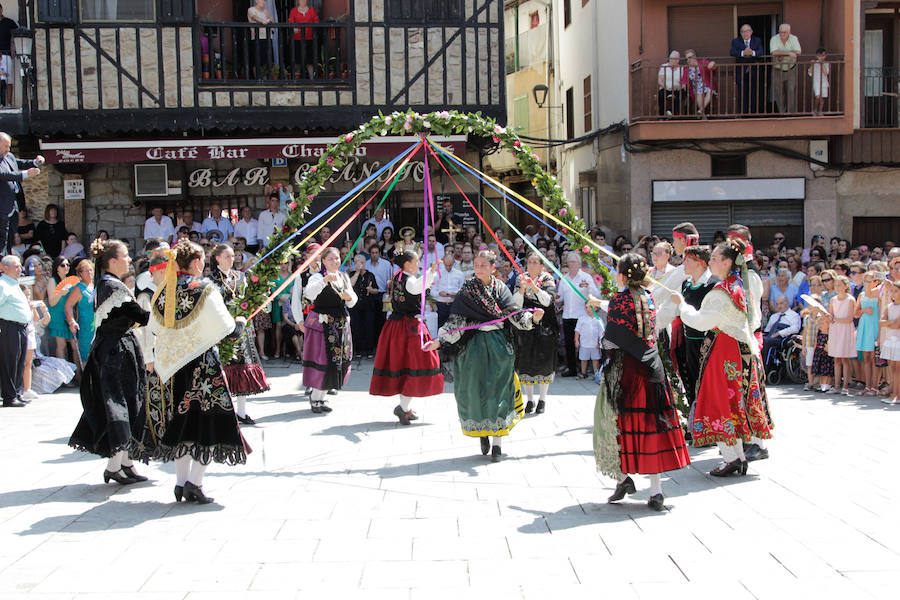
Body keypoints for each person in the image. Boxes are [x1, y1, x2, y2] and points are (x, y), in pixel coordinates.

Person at [150, 240, 249, 504]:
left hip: (171, 368)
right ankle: (195, 482)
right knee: (208, 423)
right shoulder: (205, 288)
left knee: (182, 425)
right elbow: (227, 329)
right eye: (203, 259)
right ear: (195, 262)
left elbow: (152, 329)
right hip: (201, 368)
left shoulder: (162, 290)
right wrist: (240, 321)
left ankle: (181, 483)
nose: (204, 264)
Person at [424, 250, 543, 462]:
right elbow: (456, 323)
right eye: (476, 265)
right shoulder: (466, 291)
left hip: (499, 347)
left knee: (499, 393)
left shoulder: (501, 289)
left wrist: (532, 318)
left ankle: (498, 443)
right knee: (477, 392)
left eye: (483, 265)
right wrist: (439, 340)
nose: (479, 268)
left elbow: (513, 314)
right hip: (473, 348)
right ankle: (483, 432)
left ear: (492, 267)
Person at [593, 254, 690, 511]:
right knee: (652, 429)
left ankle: (623, 478)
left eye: (616, 271)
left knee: (613, 425)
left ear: (623, 275)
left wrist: (603, 346)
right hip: (652, 370)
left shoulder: (620, 300)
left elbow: (612, 340)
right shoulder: (648, 297)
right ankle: (656, 491)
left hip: (627, 373)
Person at [672, 238, 773, 475]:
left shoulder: (721, 292)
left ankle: (733, 456)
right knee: (733, 402)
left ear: (728, 262)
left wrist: (682, 305)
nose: (712, 262)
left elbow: (701, 321)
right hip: (739, 348)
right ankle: (736, 455)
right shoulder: (738, 284)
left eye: (716, 258)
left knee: (720, 401)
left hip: (726, 351)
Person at [68, 240, 150, 485]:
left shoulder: (110, 284)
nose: (129, 260)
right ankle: (115, 466)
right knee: (119, 404)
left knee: (130, 401)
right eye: (125, 256)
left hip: (119, 350)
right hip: (115, 353)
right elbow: (141, 317)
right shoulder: (113, 287)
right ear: (113, 261)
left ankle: (125, 463)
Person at [370, 251, 443, 425]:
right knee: (416, 364)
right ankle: (403, 408)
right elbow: (417, 286)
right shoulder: (409, 280)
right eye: (416, 261)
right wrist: (431, 272)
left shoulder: (398, 276)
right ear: (408, 264)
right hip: (409, 327)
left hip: (397, 325)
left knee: (407, 365)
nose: (419, 263)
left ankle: (405, 407)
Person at [209, 244, 270, 424]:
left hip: (240, 327)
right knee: (223, 371)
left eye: (233, 256)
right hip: (221, 329)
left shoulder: (240, 276)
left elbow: (246, 298)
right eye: (227, 256)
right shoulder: (211, 279)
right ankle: (223, 412)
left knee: (243, 369)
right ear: (217, 258)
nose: (232, 259)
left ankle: (241, 412)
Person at [302, 247, 357, 413]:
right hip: (322, 325)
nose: (335, 261)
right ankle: (315, 397)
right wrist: (324, 280)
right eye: (331, 259)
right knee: (323, 361)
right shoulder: (317, 276)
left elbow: (352, 300)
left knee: (336, 362)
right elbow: (309, 294)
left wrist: (349, 297)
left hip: (339, 324)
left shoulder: (343, 277)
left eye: (337, 258)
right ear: (323, 261)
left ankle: (322, 396)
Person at [512, 252, 559, 414]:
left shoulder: (547, 279)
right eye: (529, 262)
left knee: (544, 361)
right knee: (525, 360)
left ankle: (542, 399)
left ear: (541, 265)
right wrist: (522, 289)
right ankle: (530, 399)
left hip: (545, 324)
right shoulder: (520, 278)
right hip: (526, 324)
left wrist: (533, 286)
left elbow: (547, 300)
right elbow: (515, 304)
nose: (531, 265)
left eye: (535, 262)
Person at [677, 245, 718, 409]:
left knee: (706, 381)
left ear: (700, 263)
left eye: (687, 260)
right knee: (690, 379)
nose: (683, 264)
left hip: (708, 342)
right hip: (689, 340)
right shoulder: (685, 284)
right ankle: (695, 419)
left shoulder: (712, 284)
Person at [0, 134, 43, 256]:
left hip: (13, 205)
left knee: (11, 234)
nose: (8, 149)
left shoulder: (8, 156)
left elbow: (19, 163)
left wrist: (34, 162)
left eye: (9, 146)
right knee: (2, 236)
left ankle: (6, 257)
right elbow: (4, 174)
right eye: (6, 146)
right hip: (2, 206)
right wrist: (25, 174)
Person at [558, 252, 599, 377]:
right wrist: (555, 299)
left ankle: (584, 370)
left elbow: (596, 294)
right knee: (569, 344)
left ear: (579, 263)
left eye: (574, 262)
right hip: (567, 315)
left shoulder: (586, 277)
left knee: (583, 343)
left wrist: (588, 288)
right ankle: (571, 369)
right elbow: (560, 297)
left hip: (582, 316)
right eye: (569, 262)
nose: (572, 264)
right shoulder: (564, 278)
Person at [0, 255, 30, 407]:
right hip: (9, 326)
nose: (20, 269)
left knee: (20, 361)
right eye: (16, 266)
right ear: (4, 268)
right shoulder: (3, 284)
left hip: (21, 327)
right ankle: (9, 396)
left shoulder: (14, 284)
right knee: (10, 362)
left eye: (20, 266)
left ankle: (17, 393)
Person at [47, 256, 83, 376]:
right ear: (57, 267)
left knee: (74, 345)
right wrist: (60, 293)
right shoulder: (52, 281)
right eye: (63, 265)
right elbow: (52, 302)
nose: (66, 267)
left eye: (68, 265)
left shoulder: (71, 280)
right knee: (61, 345)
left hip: (70, 315)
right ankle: (62, 376)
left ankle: (78, 374)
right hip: (57, 314)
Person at [826, 275, 857, 395]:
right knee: (836, 358)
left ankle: (845, 386)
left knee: (845, 358)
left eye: (839, 285)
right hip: (835, 330)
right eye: (836, 285)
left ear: (846, 286)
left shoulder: (850, 299)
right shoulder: (833, 300)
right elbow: (831, 315)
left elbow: (849, 318)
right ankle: (837, 385)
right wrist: (829, 318)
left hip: (845, 330)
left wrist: (835, 320)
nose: (837, 287)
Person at [64, 258, 96, 364]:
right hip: (86, 326)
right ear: (80, 273)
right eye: (86, 271)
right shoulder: (79, 289)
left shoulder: (95, 286)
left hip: (97, 324)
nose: (89, 273)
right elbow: (68, 306)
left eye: (91, 270)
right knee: (86, 355)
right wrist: (71, 321)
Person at [856, 271, 882, 396]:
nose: (866, 283)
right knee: (866, 358)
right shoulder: (861, 295)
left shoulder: (879, 295)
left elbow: (882, 312)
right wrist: (863, 310)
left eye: (868, 281)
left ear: (876, 282)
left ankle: (875, 386)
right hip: (864, 327)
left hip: (875, 327)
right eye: (865, 280)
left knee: (874, 358)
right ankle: (868, 386)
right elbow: (855, 313)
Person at [347, 253, 378, 358]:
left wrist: (371, 290)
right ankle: (358, 350)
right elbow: (350, 285)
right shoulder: (351, 274)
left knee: (368, 327)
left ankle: (369, 350)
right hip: (355, 306)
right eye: (358, 263)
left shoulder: (370, 275)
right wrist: (357, 272)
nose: (361, 265)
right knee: (356, 327)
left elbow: (376, 289)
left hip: (368, 306)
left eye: (362, 263)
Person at [730, 23, 764, 114]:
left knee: (754, 92)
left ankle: (753, 113)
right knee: (742, 93)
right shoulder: (736, 41)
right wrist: (743, 53)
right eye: (742, 32)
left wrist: (752, 53)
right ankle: (743, 113)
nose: (745, 33)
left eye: (747, 31)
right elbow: (732, 52)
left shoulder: (757, 40)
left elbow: (761, 51)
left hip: (754, 71)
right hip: (741, 71)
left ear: (751, 32)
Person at [761, 295, 801, 367]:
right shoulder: (774, 316)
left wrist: (779, 333)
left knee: (766, 341)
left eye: (781, 303)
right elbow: (767, 331)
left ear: (787, 303)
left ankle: (765, 366)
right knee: (760, 340)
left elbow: (796, 328)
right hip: (770, 337)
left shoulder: (794, 316)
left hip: (782, 340)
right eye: (777, 304)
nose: (779, 306)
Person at [770, 23, 802, 113]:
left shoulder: (793, 38)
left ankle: (791, 113)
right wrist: (788, 53)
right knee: (779, 93)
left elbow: (798, 51)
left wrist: (781, 54)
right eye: (780, 32)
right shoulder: (774, 39)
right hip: (777, 69)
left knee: (791, 91)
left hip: (791, 68)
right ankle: (782, 113)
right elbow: (774, 52)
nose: (782, 34)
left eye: (784, 32)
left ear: (789, 32)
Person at [366, 244, 392, 343]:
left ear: (379, 253)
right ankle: (372, 342)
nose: (374, 255)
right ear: (370, 254)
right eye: (372, 253)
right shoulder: (367, 264)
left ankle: (381, 342)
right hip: (370, 295)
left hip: (383, 295)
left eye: (376, 253)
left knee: (382, 320)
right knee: (371, 320)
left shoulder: (386, 264)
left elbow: (389, 279)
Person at [879, 281, 900, 405]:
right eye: (891, 291)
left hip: (898, 341)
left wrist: (889, 323)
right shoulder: (889, 307)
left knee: (898, 369)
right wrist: (890, 323)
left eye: (896, 291)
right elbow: (881, 322)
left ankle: (897, 395)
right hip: (890, 340)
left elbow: (897, 325)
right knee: (892, 368)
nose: (893, 293)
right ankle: (894, 393)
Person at [288, 0, 319, 79]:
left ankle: (312, 80)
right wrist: (294, 29)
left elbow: (316, 22)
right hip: (297, 39)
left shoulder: (312, 10)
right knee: (297, 60)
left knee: (310, 61)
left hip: (309, 39)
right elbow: (290, 23)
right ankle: (297, 80)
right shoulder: (293, 11)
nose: (303, 0)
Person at [683, 50, 717, 119]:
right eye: (686, 59)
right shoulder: (686, 69)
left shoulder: (702, 62)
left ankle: (701, 111)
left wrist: (712, 64)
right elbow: (684, 80)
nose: (688, 60)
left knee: (710, 91)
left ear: (694, 57)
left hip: (707, 85)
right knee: (699, 92)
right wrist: (684, 85)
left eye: (689, 58)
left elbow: (712, 66)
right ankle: (702, 114)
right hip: (696, 87)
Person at [433, 251, 464, 328]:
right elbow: (432, 291)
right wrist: (439, 293)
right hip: (441, 305)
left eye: (450, 265)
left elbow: (463, 290)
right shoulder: (437, 274)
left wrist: (457, 294)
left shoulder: (460, 274)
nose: (448, 267)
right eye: (446, 265)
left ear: (454, 263)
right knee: (440, 328)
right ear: (443, 262)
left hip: (454, 305)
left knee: (454, 329)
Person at [247, 0, 274, 79]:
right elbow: (254, 17)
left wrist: (269, 22)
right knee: (257, 59)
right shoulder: (251, 9)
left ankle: (265, 78)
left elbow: (272, 19)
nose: (263, 1)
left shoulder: (266, 11)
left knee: (266, 59)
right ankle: (257, 78)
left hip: (267, 37)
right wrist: (263, 21)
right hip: (257, 37)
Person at [575, 303, 602, 379]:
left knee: (595, 359)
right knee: (583, 359)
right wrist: (576, 341)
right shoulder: (582, 319)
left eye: (590, 307)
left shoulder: (598, 319)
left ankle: (596, 374)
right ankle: (583, 373)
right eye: (586, 307)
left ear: (596, 308)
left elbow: (601, 332)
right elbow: (577, 331)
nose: (588, 309)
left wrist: (599, 343)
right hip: (584, 344)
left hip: (594, 344)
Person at [657, 51, 686, 116]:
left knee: (680, 94)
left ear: (678, 60)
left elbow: (684, 81)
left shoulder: (681, 68)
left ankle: (674, 115)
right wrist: (666, 87)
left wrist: (679, 86)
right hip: (665, 88)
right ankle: (662, 116)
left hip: (677, 89)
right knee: (661, 94)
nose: (673, 60)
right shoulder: (664, 66)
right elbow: (659, 80)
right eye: (671, 58)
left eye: (676, 59)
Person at [0, 5, 17, 107]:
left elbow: (18, 34)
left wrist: (15, 49)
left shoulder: (9, 22)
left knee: (9, 80)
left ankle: (9, 103)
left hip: (6, 55)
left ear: (1, 10)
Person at [809, 47, 830, 116]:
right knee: (818, 97)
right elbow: (810, 73)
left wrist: (822, 64)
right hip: (816, 83)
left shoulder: (827, 63)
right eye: (819, 56)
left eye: (823, 56)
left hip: (824, 83)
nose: (821, 57)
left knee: (823, 98)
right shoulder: (815, 63)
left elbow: (826, 72)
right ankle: (815, 109)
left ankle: (820, 111)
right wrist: (812, 65)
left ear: (825, 56)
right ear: (817, 56)